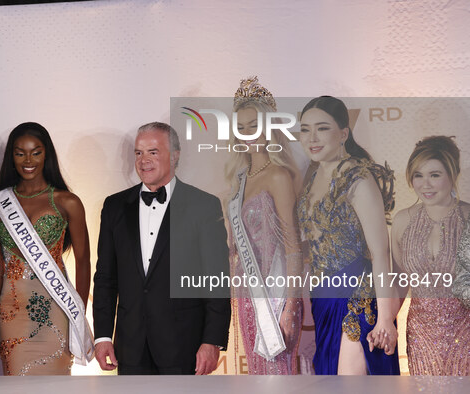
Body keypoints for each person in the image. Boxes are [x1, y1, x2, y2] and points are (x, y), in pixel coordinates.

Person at [93, 122, 231, 375]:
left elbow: (216, 279)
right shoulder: (114, 207)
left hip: (184, 345)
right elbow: (105, 278)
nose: (143, 160)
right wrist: (102, 336)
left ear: (175, 155)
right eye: (138, 153)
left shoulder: (203, 205)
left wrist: (212, 340)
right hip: (130, 346)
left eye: (153, 152)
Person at [297, 96, 400, 375]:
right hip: (322, 300)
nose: (312, 137)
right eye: (305, 129)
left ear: (343, 133)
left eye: (322, 128)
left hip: (358, 301)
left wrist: (386, 318)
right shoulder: (313, 175)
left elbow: (381, 253)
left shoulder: (358, 178)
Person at [0, 122, 92, 375]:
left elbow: (84, 261)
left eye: (36, 152)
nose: (28, 160)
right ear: (11, 157)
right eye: (20, 152)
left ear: (47, 154)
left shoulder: (67, 202)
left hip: (57, 309)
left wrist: (78, 313)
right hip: (9, 313)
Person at [224, 77, 303, 374]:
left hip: (276, 295)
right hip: (247, 295)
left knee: (277, 378)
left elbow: (294, 248)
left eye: (254, 125)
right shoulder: (239, 179)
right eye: (241, 127)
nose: (248, 134)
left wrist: (290, 306)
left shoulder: (279, 176)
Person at [391, 135, 470, 375]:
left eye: (435, 175)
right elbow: (399, 283)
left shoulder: (468, 217)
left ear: (453, 174)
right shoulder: (402, 221)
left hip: (465, 329)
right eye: (418, 175)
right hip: (420, 332)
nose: (425, 184)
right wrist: (381, 321)